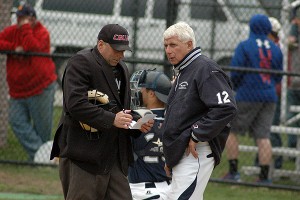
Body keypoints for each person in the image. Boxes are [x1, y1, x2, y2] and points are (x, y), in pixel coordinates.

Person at [50, 24, 154, 200]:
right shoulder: (81, 62)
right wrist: (112, 119)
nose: (121, 55)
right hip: (83, 155)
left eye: (124, 51)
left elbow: (118, 108)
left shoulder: (122, 69)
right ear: (101, 45)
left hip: (112, 155)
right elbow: (75, 104)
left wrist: (135, 122)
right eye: (117, 50)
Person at [161, 21, 237, 200]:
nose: (168, 50)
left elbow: (226, 107)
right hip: (180, 153)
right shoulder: (184, 70)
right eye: (165, 46)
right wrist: (171, 157)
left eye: (173, 45)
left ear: (189, 45)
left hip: (196, 152)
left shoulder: (205, 68)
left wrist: (197, 134)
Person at [223, 14, 283, 183]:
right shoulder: (276, 47)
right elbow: (278, 76)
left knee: (231, 131)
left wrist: (238, 86)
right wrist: (269, 85)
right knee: (263, 136)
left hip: (248, 93)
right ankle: (264, 177)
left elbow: (236, 71)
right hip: (269, 95)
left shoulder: (245, 45)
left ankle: (234, 173)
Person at [0, 3, 57, 161]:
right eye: (17, 17)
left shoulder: (42, 33)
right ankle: (41, 156)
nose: (18, 21)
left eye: (22, 18)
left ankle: (41, 160)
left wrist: (26, 29)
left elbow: (32, 47)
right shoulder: (12, 32)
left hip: (40, 89)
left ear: (32, 19)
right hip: (18, 91)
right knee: (16, 121)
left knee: (42, 130)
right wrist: (13, 47)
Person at [128, 69, 172, 200]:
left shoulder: (139, 121)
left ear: (152, 94)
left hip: (142, 192)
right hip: (171, 189)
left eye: (142, 90)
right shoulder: (175, 120)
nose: (138, 93)